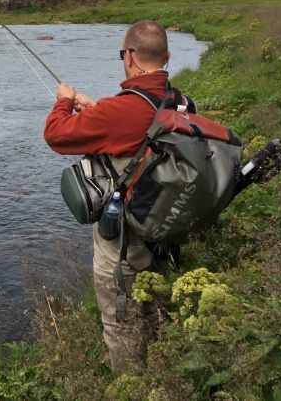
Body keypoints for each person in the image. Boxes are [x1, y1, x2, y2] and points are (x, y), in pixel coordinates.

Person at [43, 20, 194, 374]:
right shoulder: (182, 102)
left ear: (129, 56)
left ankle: (132, 386)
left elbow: (56, 135)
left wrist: (64, 102)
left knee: (121, 326)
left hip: (124, 245)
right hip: (167, 233)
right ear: (167, 56)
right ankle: (165, 377)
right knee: (158, 313)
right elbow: (141, 135)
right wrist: (94, 107)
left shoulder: (119, 110)